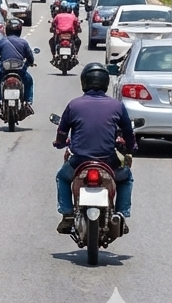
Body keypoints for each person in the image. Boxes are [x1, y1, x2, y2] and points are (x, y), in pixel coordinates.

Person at [53, 63, 135, 234]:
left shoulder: (74, 105)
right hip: (108, 161)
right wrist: (130, 147)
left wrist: (60, 143)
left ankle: (67, 214)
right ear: (105, 83)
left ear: (84, 82)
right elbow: (128, 131)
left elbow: (62, 131)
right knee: (126, 178)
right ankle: (121, 214)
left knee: (62, 177)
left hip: (79, 161)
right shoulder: (117, 106)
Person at [0, 20, 35, 116]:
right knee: (29, 81)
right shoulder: (23, 42)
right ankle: (27, 102)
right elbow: (30, 58)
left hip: (4, 72)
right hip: (20, 72)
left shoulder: (2, 42)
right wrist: (29, 64)